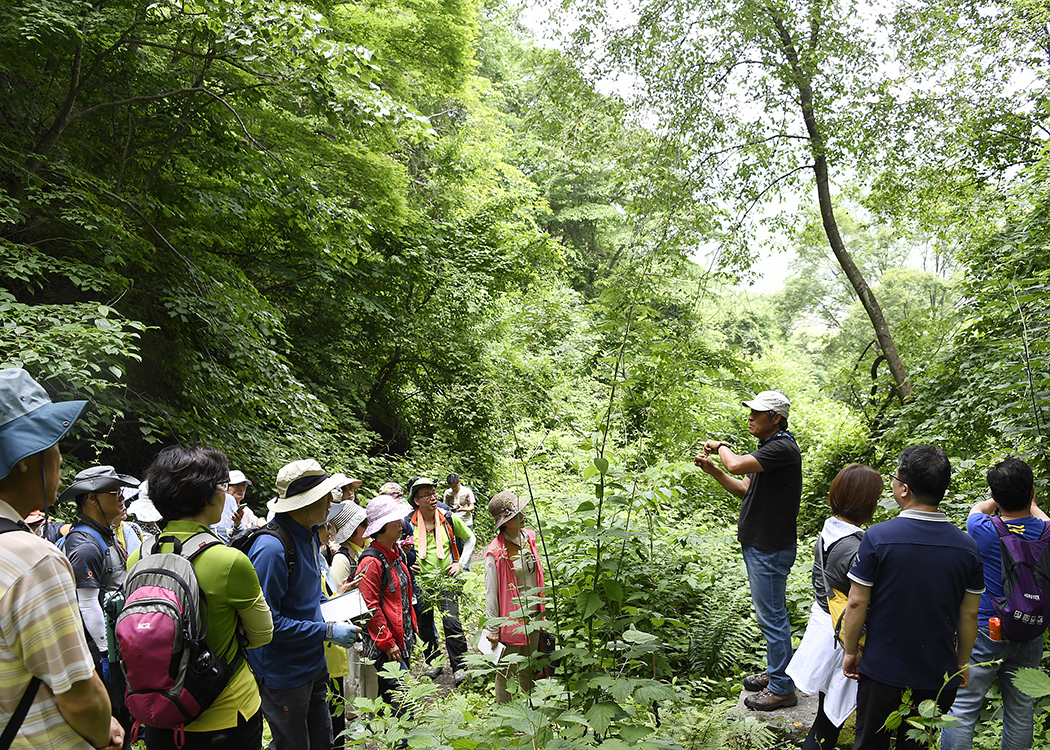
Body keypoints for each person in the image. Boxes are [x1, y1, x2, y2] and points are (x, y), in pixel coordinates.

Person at [0, 367, 123, 750]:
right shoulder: (32, 558)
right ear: (24, 458)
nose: (59, 458)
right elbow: (80, 695)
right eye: (53, 444)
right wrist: (106, 730)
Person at [841, 444, 984, 750]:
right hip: (937, 673)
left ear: (904, 489)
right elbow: (969, 614)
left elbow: (856, 602)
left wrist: (850, 649)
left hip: (881, 670)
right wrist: (961, 663)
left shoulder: (877, 537)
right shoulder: (967, 548)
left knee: (869, 744)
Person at [132, 445, 274, 750]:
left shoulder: (138, 558)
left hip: (161, 712)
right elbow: (263, 634)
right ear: (211, 496)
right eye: (222, 487)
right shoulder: (228, 561)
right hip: (225, 712)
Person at [694, 389, 802, 710]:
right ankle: (776, 672)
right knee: (770, 614)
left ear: (776, 418)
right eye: (750, 411)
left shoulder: (782, 447)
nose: (750, 416)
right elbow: (744, 488)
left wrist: (722, 447)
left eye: (757, 412)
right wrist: (714, 469)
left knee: (772, 618)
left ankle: (782, 687)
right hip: (761, 545)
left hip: (770, 547)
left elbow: (738, 466)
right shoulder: (770, 448)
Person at [245, 459, 359, 750]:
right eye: (323, 497)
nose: (330, 503)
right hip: (283, 672)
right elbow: (267, 621)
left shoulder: (308, 536)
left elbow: (312, 594)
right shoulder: (272, 549)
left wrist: (337, 611)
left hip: (312, 663)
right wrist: (326, 632)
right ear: (302, 504)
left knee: (323, 740)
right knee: (292, 744)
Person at [941, 458, 1050, 750]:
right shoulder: (1047, 533)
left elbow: (977, 509)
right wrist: (1031, 501)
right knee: (1021, 710)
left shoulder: (982, 528)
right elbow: (1043, 518)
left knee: (963, 707)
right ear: (1031, 492)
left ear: (995, 495)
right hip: (1030, 629)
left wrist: (997, 497)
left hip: (988, 627)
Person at [786, 465, 883, 750]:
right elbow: (862, 598)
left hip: (827, 628)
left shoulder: (831, 531)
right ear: (866, 503)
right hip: (847, 637)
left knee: (825, 715)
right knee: (830, 721)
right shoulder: (854, 547)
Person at [57, 466, 140, 673]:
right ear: (93, 498)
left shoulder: (105, 535)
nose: (122, 498)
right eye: (116, 492)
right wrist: (107, 654)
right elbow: (86, 603)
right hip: (98, 653)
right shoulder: (86, 545)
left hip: (116, 641)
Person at [405, 477, 475, 686]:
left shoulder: (448, 518)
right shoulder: (407, 523)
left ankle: (459, 665)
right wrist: (407, 564)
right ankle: (433, 662)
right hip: (420, 584)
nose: (433, 497)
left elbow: (470, 538)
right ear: (416, 500)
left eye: (434, 493)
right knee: (425, 625)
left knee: (451, 621)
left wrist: (460, 564)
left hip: (446, 580)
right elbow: (398, 548)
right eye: (426, 495)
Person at [357, 494, 418, 715]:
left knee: (398, 695)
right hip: (387, 644)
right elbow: (370, 606)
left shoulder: (395, 551)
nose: (401, 524)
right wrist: (387, 642)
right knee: (401, 695)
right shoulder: (371, 561)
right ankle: (399, 742)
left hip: (400, 637)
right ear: (382, 526)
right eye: (395, 520)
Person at [484, 490, 545, 704]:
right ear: (505, 522)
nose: (522, 515)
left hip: (534, 614)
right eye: (516, 514)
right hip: (510, 619)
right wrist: (493, 628)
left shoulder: (529, 539)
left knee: (530, 665)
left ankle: (534, 711)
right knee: (506, 671)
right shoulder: (496, 552)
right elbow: (491, 592)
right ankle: (505, 716)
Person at [212, 470, 261, 542]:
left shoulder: (246, 511)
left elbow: (259, 522)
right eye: (236, 485)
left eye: (243, 485)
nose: (241, 489)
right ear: (225, 486)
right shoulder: (216, 508)